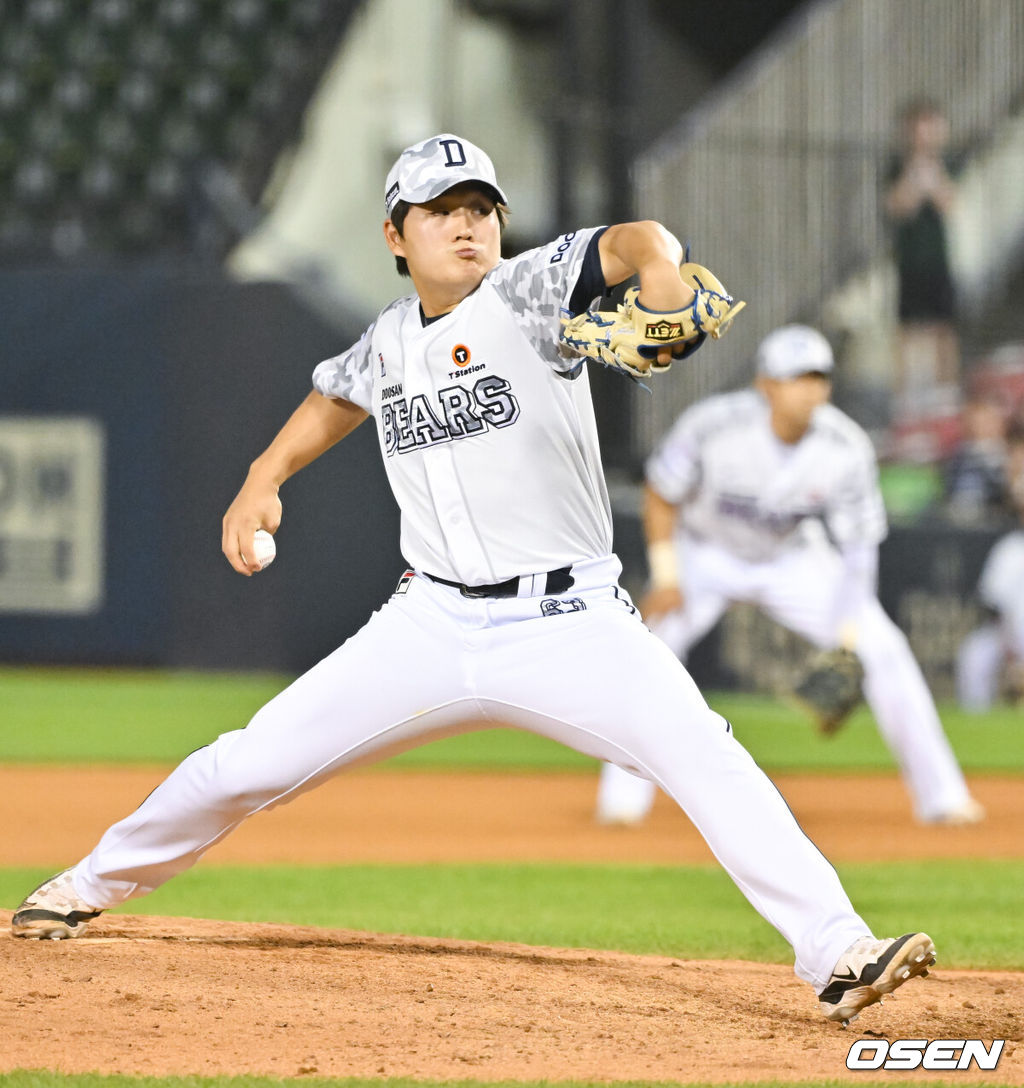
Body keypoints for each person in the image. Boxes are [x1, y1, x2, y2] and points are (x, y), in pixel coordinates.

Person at [12, 134, 936, 1026]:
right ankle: (84, 885)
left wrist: (658, 270)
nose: (467, 226)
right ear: (394, 236)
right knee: (249, 762)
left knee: (706, 755)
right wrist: (263, 478)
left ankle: (838, 952)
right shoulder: (386, 341)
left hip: (570, 621)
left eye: (481, 210)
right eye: (441, 211)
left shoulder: (529, 292)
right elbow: (337, 393)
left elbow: (636, 242)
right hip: (430, 623)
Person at [596, 325, 983, 828]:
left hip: (790, 557)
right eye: (795, 377)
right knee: (651, 649)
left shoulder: (845, 445)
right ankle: (623, 801)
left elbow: (859, 546)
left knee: (884, 648)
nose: (808, 388)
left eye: (818, 377)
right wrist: (668, 576)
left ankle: (943, 797)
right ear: (766, 385)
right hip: (707, 552)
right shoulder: (714, 426)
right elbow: (661, 492)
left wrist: (847, 635)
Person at [883, 99, 962, 420]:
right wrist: (914, 178)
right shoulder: (896, 166)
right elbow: (896, 207)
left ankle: (947, 394)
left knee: (944, 326)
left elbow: (949, 203)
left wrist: (934, 177)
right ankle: (905, 399)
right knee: (907, 328)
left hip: (939, 259)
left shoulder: (947, 163)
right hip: (909, 259)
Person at [956, 420, 1024, 711]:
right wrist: (1012, 660)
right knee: (975, 653)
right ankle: (978, 720)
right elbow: (996, 613)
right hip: (1012, 640)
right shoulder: (1009, 551)